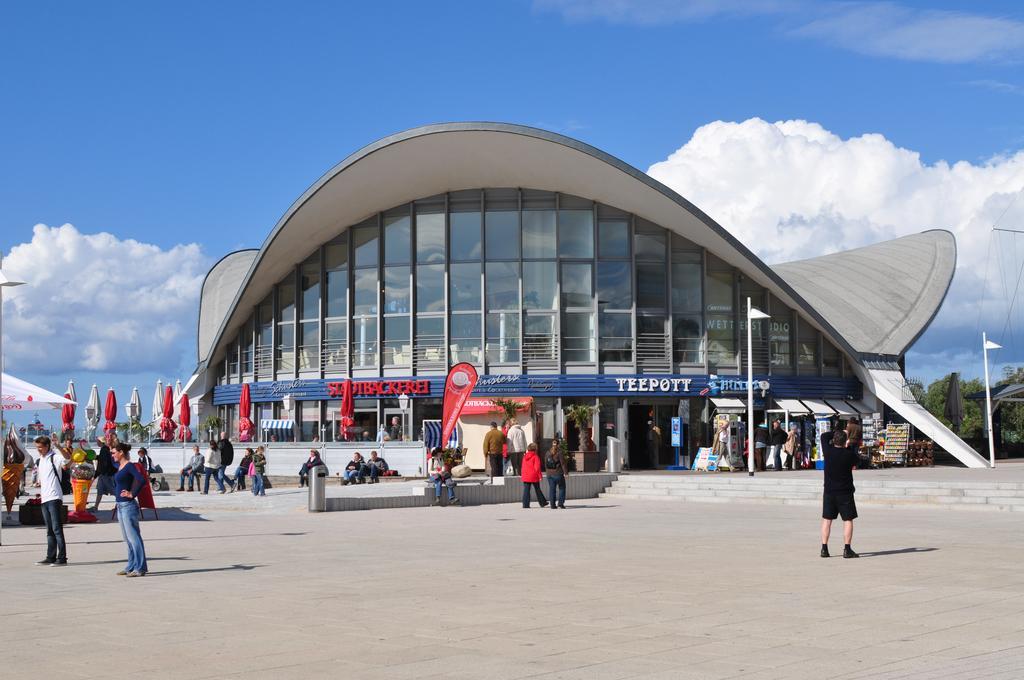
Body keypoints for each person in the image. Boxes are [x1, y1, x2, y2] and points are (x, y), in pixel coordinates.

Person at [821, 428, 860, 559]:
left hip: (829, 491)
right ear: (845, 442)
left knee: (827, 520)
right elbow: (858, 461)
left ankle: (824, 548)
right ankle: (847, 549)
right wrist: (847, 446)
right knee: (848, 520)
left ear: (834, 440)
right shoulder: (849, 454)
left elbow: (824, 436)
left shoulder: (828, 451)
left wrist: (838, 433)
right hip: (845, 492)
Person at [111, 442, 148, 576]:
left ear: (121, 453)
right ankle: (131, 566)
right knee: (127, 539)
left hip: (128, 506)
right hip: (120, 506)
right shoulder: (119, 466)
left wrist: (132, 493)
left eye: (114, 452)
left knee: (134, 538)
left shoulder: (129, 466)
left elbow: (142, 480)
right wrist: (109, 443)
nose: (112, 455)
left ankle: (140, 568)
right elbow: (111, 461)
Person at [35, 436, 71, 566]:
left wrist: (59, 446)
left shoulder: (54, 457)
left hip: (54, 497)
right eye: (37, 447)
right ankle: (50, 556)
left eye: (40, 447)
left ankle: (62, 558)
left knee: (57, 528)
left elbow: (68, 459)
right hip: (44, 498)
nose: (38, 449)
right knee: (49, 529)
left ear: (46, 446)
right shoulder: (41, 460)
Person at [3, 434, 27, 520]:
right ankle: (8, 511)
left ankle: (8, 511)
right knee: (9, 492)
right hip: (7, 469)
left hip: (12, 467)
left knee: (10, 492)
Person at [92, 433, 117, 511]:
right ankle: (96, 506)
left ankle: (119, 505)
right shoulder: (105, 449)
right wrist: (97, 457)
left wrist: (96, 474)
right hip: (105, 474)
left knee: (114, 491)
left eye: (97, 441)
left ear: (101, 442)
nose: (96, 442)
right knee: (100, 490)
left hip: (106, 474)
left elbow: (103, 463)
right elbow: (103, 460)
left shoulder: (104, 449)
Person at [521, 443, 548, 508]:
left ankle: (525, 504)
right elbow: (537, 468)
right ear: (535, 449)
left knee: (526, 490)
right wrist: (540, 476)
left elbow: (523, 466)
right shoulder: (535, 457)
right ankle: (542, 502)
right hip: (533, 475)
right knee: (537, 489)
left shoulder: (525, 456)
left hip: (525, 475)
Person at [544, 443, 568, 509]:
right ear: (558, 445)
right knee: (562, 488)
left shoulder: (547, 453)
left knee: (552, 489)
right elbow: (563, 463)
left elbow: (545, 463)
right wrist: (566, 473)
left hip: (549, 474)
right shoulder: (559, 452)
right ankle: (560, 503)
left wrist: (547, 472)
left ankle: (552, 505)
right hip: (558, 473)